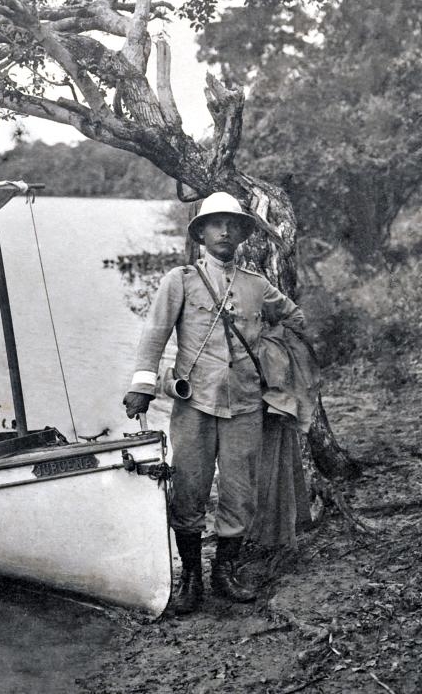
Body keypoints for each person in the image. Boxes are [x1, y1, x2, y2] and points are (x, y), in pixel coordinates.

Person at [122, 192, 305, 615]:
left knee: (240, 493)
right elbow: (154, 335)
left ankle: (225, 572)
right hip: (195, 406)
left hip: (245, 405)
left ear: (242, 233)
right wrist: (143, 386)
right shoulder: (180, 279)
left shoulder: (257, 286)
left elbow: (295, 318)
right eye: (214, 224)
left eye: (232, 224)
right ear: (201, 233)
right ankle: (191, 578)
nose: (224, 231)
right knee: (188, 491)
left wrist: (273, 355)